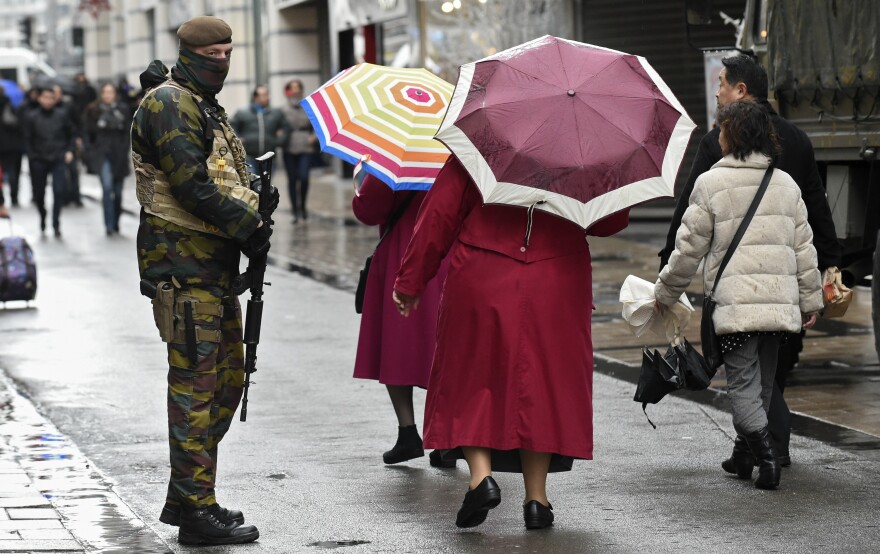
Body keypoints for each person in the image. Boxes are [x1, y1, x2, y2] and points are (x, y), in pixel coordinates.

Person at [393, 156, 629, 530]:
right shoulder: (581, 155)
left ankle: (481, 478)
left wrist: (411, 280)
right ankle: (536, 499)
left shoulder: (477, 147)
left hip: (482, 271)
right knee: (541, 387)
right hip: (557, 277)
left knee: (469, 378)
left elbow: (437, 216)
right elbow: (610, 222)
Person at [131, 15, 275, 545]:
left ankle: (193, 498)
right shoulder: (171, 102)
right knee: (196, 390)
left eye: (227, 53)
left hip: (211, 269)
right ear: (192, 54)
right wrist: (249, 224)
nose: (223, 62)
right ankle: (195, 511)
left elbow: (218, 172)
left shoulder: (198, 100)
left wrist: (254, 192)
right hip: (183, 270)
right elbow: (190, 183)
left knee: (226, 383)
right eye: (214, 55)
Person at [658, 54, 841, 468]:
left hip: (737, 296)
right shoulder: (796, 144)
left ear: (741, 92)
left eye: (722, 83)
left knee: (746, 381)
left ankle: (769, 450)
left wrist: (667, 274)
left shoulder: (714, 152)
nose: (717, 90)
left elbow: (689, 222)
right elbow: (813, 220)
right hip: (783, 291)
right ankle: (749, 453)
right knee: (770, 375)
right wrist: (820, 281)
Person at [351, 169, 452, 467]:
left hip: (403, 253)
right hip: (450, 253)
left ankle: (408, 432)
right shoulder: (461, 153)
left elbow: (368, 209)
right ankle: (446, 437)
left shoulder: (398, 156)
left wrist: (359, 184)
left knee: (397, 345)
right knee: (446, 347)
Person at [21, 87, 76, 237]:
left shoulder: (61, 115)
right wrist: (32, 156)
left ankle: (56, 222)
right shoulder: (31, 117)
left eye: (50, 98)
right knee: (39, 193)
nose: (47, 100)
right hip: (39, 159)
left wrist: (69, 150)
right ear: (39, 99)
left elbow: (71, 134)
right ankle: (43, 215)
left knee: (59, 191)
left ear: (54, 99)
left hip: (58, 158)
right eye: (44, 97)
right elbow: (27, 139)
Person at [83, 83, 131, 236]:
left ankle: (116, 221)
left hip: (119, 154)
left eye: (111, 92)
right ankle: (108, 224)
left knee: (118, 191)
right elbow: (87, 132)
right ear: (101, 94)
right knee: (107, 187)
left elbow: (128, 130)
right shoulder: (94, 110)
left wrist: (125, 149)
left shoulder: (123, 109)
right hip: (102, 153)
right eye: (105, 92)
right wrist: (90, 151)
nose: (108, 95)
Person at [279, 79, 316, 222]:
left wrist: (314, 137)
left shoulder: (308, 107)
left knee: (305, 177)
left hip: (306, 145)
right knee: (292, 180)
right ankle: (295, 210)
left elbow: (318, 124)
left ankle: (303, 206)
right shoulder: (282, 110)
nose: (295, 91)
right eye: (292, 88)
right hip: (289, 146)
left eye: (298, 88)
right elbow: (277, 125)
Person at [230, 84, 289, 169]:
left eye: (267, 95)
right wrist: (238, 139)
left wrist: (278, 142)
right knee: (252, 181)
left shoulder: (276, 113)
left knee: (267, 182)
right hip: (249, 156)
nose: (267, 98)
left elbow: (286, 128)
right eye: (264, 95)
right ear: (255, 97)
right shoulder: (243, 113)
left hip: (269, 157)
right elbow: (232, 127)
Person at [0, 86, 24, 208]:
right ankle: (14, 197)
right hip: (11, 145)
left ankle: (1, 199)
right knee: (13, 171)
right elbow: (17, 125)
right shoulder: (10, 105)